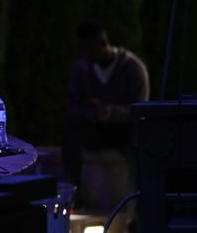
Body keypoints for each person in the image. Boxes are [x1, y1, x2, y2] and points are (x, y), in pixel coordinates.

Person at [63, 20, 149, 199]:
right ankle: (75, 196)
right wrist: (92, 112)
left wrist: (110, 112)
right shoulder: (82, 68)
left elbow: (140, 109)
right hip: (94, 127)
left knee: (142, 140)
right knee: (71, 130)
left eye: (89, 49)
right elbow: (72, 106)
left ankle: (140, 201)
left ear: (102, 43)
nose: (85, 55)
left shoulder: (132, 68)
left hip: (124, 130)